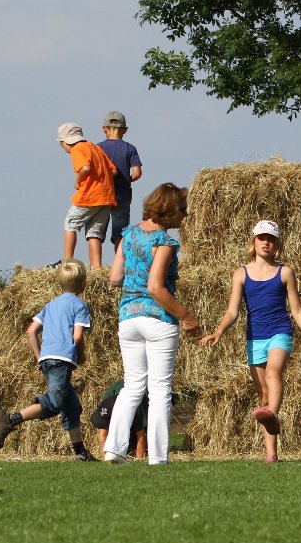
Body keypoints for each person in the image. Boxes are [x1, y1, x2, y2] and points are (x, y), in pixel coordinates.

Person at [199, 220, 301, 463]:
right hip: (255, 337)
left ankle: (273, 415)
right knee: (264, 397)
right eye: (261, 238)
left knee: (273, 371)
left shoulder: (285, 272)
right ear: (254, 242)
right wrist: (219, 332)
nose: (266, 242)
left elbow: (297, 310)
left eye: (270, 239)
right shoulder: (240, 273)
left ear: (276, 244)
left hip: (280, 332)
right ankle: (271, 454)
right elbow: (232, 311)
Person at [104, 183, 203, 465]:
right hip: (158, 320)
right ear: (171, 211)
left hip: (128, 318)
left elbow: (115, 278)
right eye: (182, 210)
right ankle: (158, 457)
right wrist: (186, 316)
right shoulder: (164, 242)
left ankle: (113, 449)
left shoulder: (128, 235)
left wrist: (135, 275)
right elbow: (156, 287)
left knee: (132, 385)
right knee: (160, 390)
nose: (184, 216)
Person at [0, 261, 95, 461]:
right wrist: (81, 355)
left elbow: (31, 331)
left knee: (72, 407)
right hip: (62, 359)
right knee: (55, 403)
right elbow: (77, 337)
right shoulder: (79, 305)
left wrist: (39, 356)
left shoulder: (50, 305)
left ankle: (80, 452)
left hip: (47, 358)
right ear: (83, 284)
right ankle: (11, 420)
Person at [57, 122, 117, 270]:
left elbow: (85, 168)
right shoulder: (95, 148)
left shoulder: (77, 149)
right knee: (94, 232)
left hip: (89, 196)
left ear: (65, 142)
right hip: (106, 197)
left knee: (70, 223)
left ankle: (68, 262)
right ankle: (96, 268)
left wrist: (78, 181)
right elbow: (113, 171)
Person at [95, 111, 144, 251]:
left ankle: (96, 262)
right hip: (122, 194)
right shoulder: (130, 148)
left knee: (96, 232)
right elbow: (137, 173)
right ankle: (119, 260)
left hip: (102, 194)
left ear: (104, 128)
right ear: (125, 130)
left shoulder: (97, 148)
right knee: (120, 232)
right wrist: (126, 180)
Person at [90, 379, 148, 461]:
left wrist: (139, 460)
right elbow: (103, 435)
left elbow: (141, 435)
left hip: (146, 393)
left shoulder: (134, 409)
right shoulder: (106, 403)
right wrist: (106, 459)